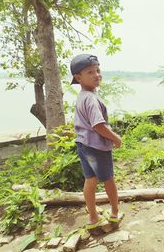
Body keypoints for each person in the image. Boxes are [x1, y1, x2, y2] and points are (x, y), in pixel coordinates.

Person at [70, 54, 122, 229]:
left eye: (98, 70)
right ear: (78, 77)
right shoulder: (91, 99)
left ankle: (93, 218)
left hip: (83, 145)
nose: (97, 74)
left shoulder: (83, 95)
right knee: (109, 180)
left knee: (90, 181)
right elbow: (98, 125)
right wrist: (115, 138)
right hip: (97, 147)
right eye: (90, 72)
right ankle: (114, 213)